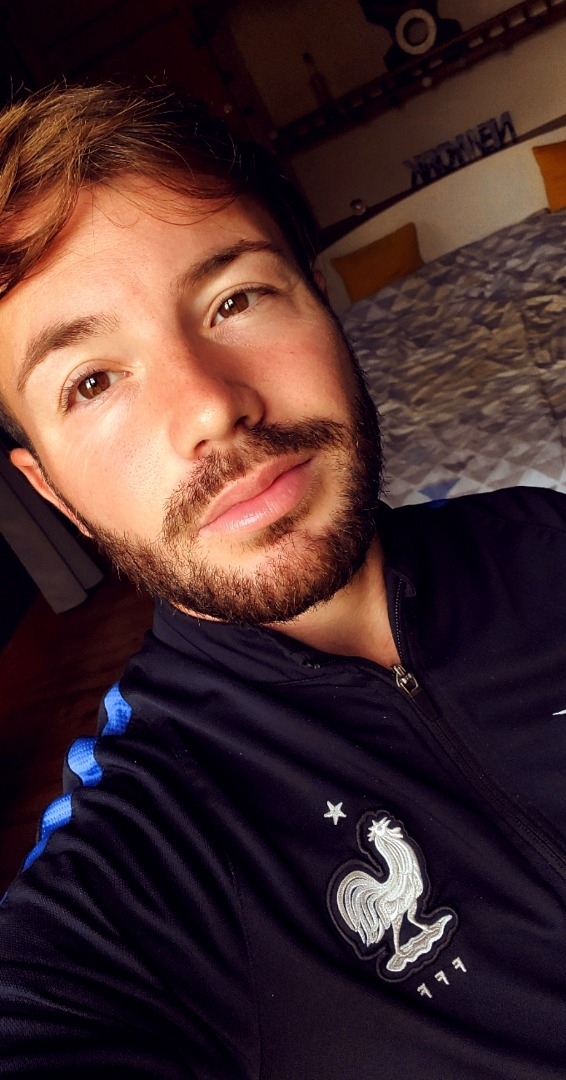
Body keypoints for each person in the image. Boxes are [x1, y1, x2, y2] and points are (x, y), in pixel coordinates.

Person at [0, 83, 564, 1080]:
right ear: (55, 494)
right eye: (91, 381)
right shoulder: (141, 854)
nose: (209, 407)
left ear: (321, 303)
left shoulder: (545, 537)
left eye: (236, 299)